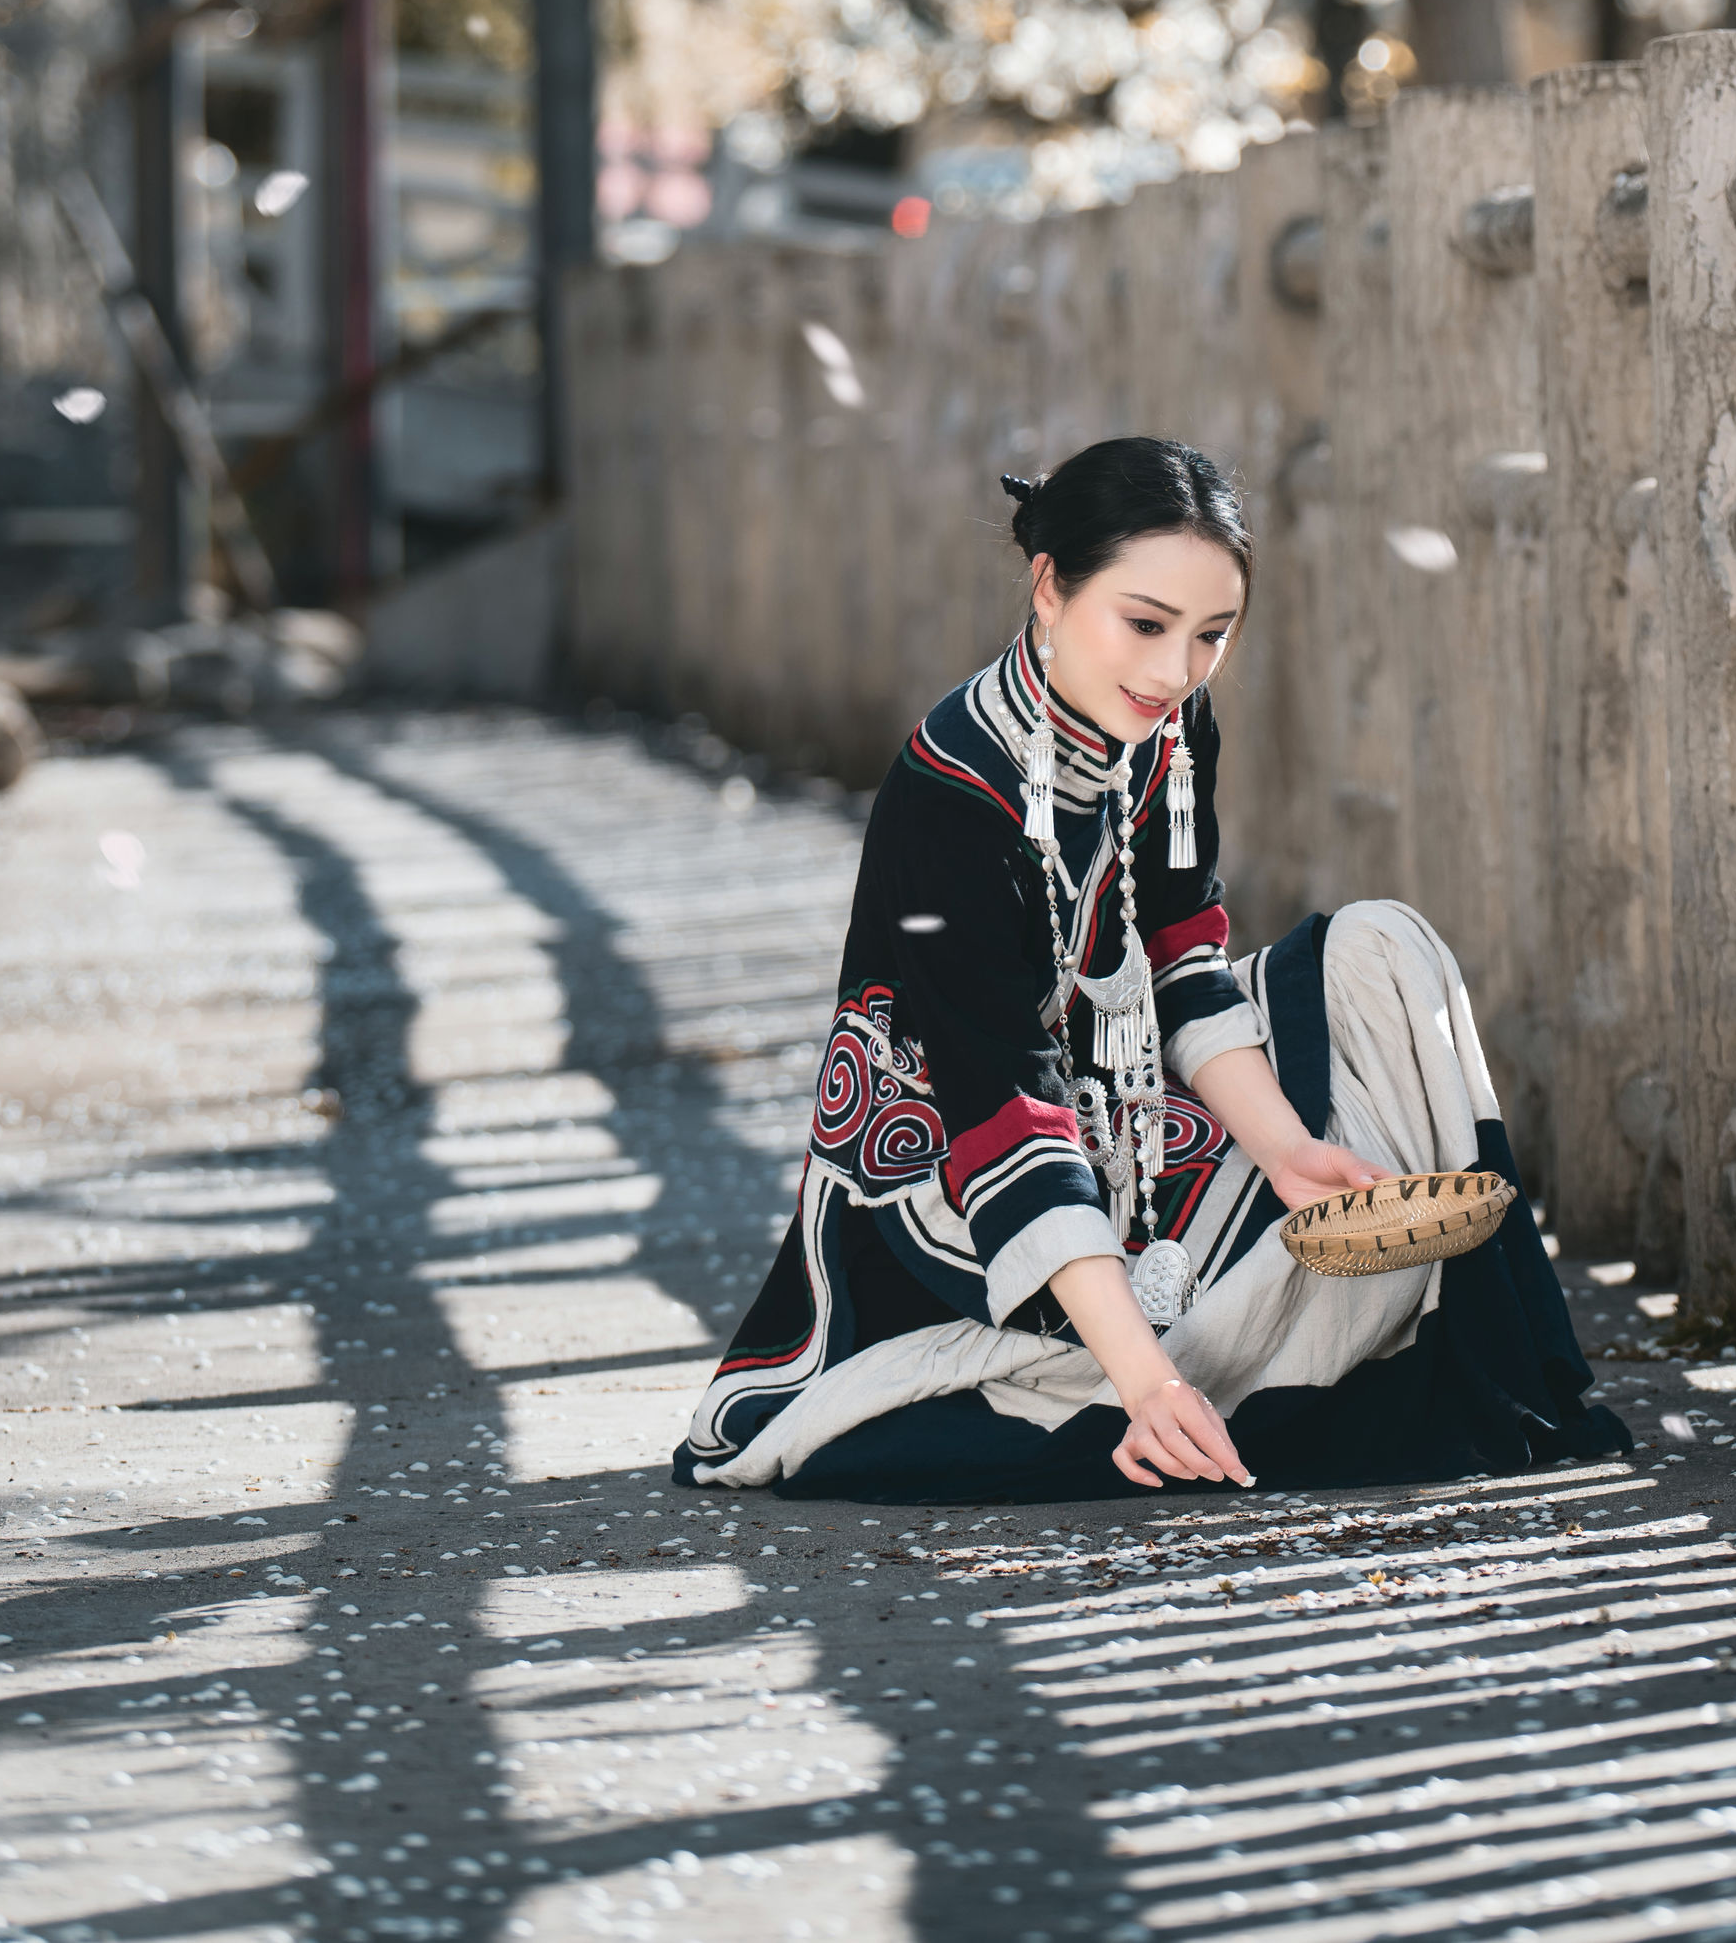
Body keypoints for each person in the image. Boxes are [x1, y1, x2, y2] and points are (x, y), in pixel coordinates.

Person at [675, 434, 1629, 1501]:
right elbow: (1001, 1099)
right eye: (1144, 622)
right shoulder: (947, 790)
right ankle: (1162, 1375)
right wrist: (1143, 1380)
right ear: (1049, 584)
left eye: (1211, 633)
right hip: (958, 1168)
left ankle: (1274, 1335)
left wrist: (1284, 1146)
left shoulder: (1171, 725)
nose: (1175, 669)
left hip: (1129, 1102)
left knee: (1384, 952)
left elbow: (1185, 955)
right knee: (1175, 1336)